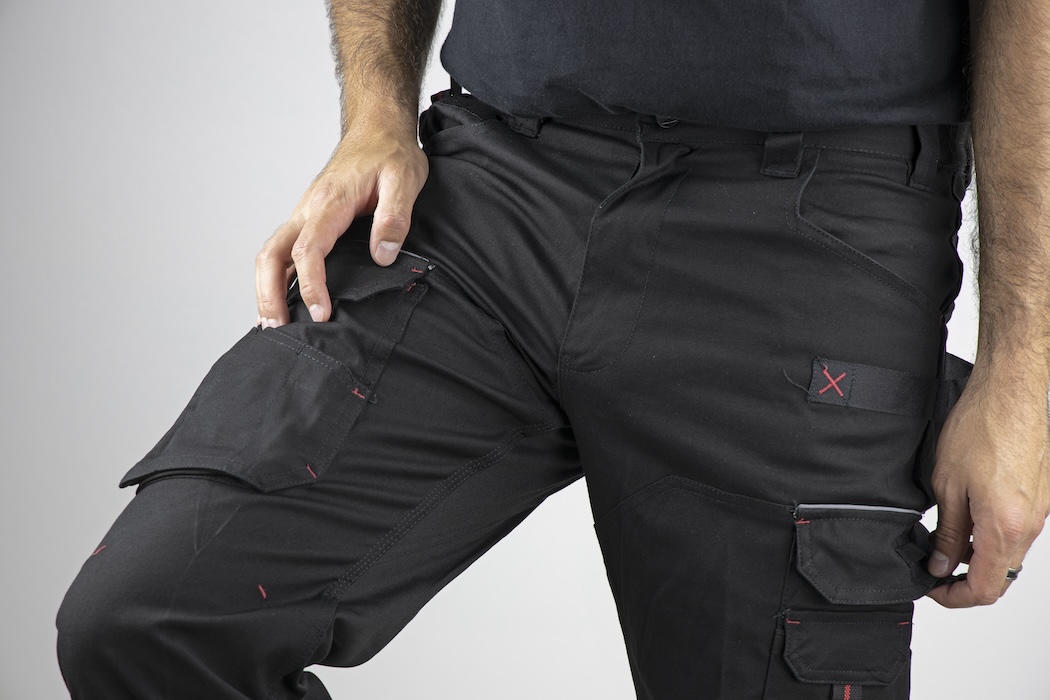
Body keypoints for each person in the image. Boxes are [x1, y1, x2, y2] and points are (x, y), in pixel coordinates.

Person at [56, 0, 1050, 698]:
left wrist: (1024, 376)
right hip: (493, 185)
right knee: (154, 622)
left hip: (811, 227)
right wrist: (374, 113)